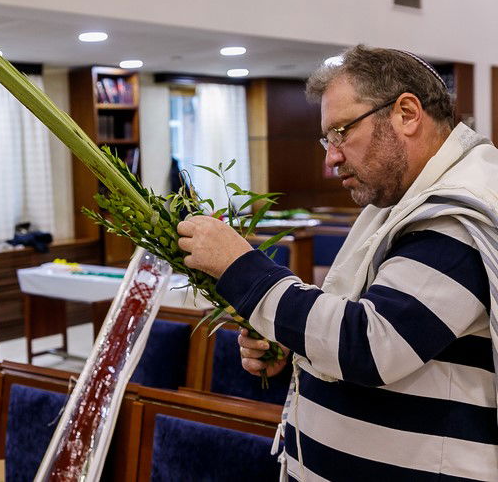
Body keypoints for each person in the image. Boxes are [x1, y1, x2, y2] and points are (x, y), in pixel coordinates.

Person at [177, 45, 498, 481]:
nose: (331, 158)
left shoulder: (459, 213)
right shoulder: (403, 201)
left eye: (341, 132)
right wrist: (296, 344)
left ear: (406, 113)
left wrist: (240, 267)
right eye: (327, 139)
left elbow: (372, 345)